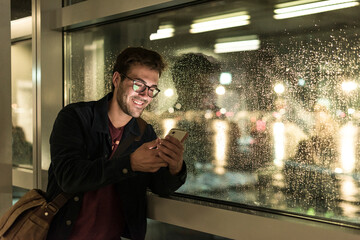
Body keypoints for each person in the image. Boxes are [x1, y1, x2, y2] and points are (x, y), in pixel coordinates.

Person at [46, 47, 187, 240]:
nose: (146, 95)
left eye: (152, 89)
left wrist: (175, 168)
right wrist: (129, 164)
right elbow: (68, 178)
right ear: (117, 79)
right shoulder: (76, 118)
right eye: (138, 85)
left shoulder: (144, 133)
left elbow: (160, 186)